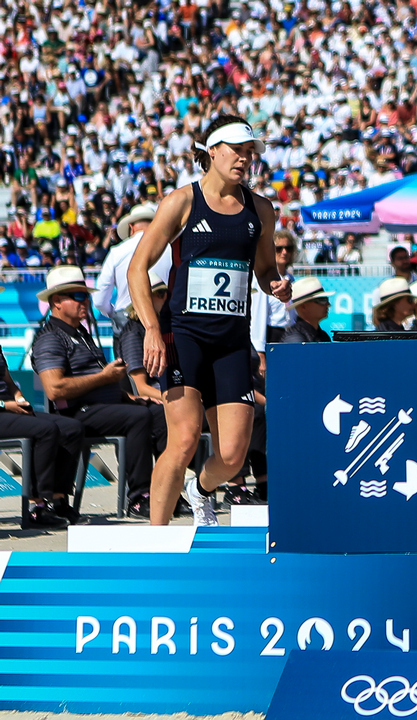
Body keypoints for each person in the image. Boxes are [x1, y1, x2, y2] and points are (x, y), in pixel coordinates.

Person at [125, 116, 291, 527]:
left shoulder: (261, 210)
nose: (244, 158)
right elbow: (137, 268)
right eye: (236, 149)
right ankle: (157, 539)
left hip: (232, 341)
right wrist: (150, 328)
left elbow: (265, 269)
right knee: (182, 440)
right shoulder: (182, 202)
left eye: (250, 151)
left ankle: (199, 491)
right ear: (211, 150)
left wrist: (277, 285)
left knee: (233, 456)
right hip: (184, 335)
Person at [32, 266, 167, 519]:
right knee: (138, 418)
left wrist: (129, 396)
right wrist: (104, 377)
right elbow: (54, 389)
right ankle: (140, 497)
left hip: (100, 407)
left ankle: (170, 490)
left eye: (86, 295)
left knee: (158, 413)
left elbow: (98, 382)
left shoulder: (80, 334)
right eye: (78, 296)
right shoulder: (50, 338)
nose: (86, 301)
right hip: (76, 411)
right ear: (57, 301)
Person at [0, 320, 86, 529]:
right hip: (3, 409)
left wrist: (18, 396)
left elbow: (7, 380)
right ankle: (36, 505)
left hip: (9, 408)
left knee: (71, 428)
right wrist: (5, 404)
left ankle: (57, 500)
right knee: (45, 430)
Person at [92, 203, 170, 340]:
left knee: (128, 361)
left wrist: (115, 313)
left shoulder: (117, 251)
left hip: (126, 321)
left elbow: (99, 299)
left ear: (131, 227)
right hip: (163, 318)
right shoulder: (169, 250)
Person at [250, 229, 298, 373]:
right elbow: (258, 315)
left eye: (288, 248)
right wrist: (260, 354)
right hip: (272, 335)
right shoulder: (263, 279)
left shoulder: (291, 278)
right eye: (279, 249)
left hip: (289, 335)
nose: (284, 252)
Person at [118, 272, 171, 402]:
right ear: (145, 299)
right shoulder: (133, 333)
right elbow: (141, 388)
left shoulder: (163, 326)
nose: (166, 298)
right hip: (160, 398)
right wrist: (179, 401)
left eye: (167, 293)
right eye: (160, 293)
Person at [280, 278, 335, 343]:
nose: (328, 304)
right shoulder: (295, 338)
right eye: (321, 300)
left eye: (326, 299)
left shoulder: (323, 336)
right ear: (303, 307)